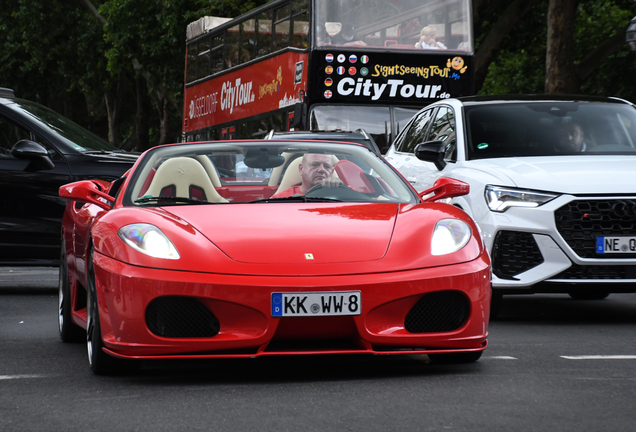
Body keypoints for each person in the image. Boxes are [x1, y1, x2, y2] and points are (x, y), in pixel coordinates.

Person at [272, 153, 342, 198]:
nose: (321, 169)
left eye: (327, 166)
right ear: (301, 169)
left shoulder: (344, 193)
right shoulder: (281, 199)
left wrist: (340, 190)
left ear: (332, 172)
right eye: (315, 165)